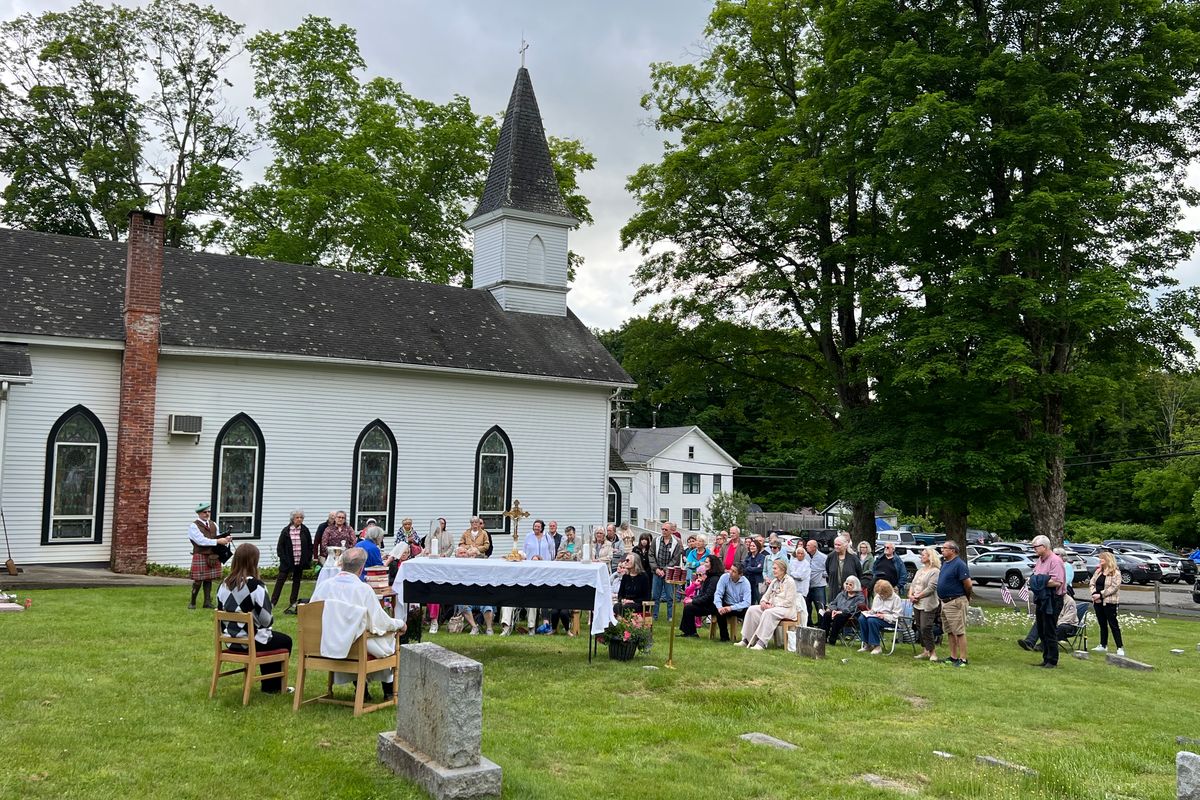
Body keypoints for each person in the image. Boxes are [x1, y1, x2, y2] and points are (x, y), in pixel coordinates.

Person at [310, 547, 407, 700]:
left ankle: (362, 690)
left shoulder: (324, 586)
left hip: (325, 644)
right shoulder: (363, 590)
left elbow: (311, 615)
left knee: (357, 632)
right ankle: (388, 691)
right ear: (361, 568)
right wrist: (400, 624)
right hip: (354, 647)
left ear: (341, 564)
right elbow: (380, 622)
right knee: (386, 639)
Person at [216, 543, 292, 694]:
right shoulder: (256, 586)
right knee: (284, 640)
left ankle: (270, 685)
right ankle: (272, 686)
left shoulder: (223, 585)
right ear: (254, 562)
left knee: (270, 639)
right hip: (251, 641)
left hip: (230, 641)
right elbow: (266, 620)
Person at [737, 558, 798, 650]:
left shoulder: (790, 581)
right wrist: (763, 602)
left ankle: (761, 642)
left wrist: (773, 605)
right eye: (773, 568)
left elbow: (789, 601)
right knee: (752, 609)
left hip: (786, 609)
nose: (773, 570)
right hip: (773, 608)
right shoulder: (774, 581)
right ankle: (746, 639)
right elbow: (766, 595)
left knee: (768, 613)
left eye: (775, 568)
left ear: (782, 570)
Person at [1029, 534, 1066, 669]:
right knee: (1041, 629)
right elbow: (1036, 576)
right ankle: (1046, 658)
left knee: (1050, 629)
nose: (1034, 549)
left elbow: (1057, 582)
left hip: (1053, 599)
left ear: (1044, 547)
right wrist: (1037, 580)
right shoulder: (1040, 560)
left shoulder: (1055, 561)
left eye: (1036, 547)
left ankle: (1052, 660)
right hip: (1042, 598)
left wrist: (1039, 582)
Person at [188, 502, 233, 610]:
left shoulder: (213, 524)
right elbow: (200, 541)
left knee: (209, 579)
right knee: (198, 580)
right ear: (199, 513)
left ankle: (207, 602)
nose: (207, 514)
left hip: (212, 554)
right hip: (200, 554)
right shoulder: (194, 526)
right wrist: (218, 541)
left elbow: (217, 536)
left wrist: (226, 538)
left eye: (208, 511)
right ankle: (192, 602)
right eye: (204, 512)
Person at [936, 541, 972, 668]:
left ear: (953, 550)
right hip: (945, 602)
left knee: (959, 631)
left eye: (944, 548)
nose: (942, 550)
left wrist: (966, 597)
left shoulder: (959, 564)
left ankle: (963, 659)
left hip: (956, 601)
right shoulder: (945, 563)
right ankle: (953, 656)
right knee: (950, 631)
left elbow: (968, 584)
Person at [272, 509, 312, 612]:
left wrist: (307, 558)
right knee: (280, 581)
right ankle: (273, 602)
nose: (299, 519)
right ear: (292, 519)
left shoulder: (305, 530)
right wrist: (283, 559)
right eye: (297, 517)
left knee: (297, 581)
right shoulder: (286, 530)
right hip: (287, 561)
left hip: (299, 561)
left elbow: (309, 545)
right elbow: (280, 547)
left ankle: (293, 601)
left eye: (301, 517)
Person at [908, 547, 942, 661]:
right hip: (916, 603)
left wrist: (918, 596)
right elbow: (913, 584)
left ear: (930, 557)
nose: (921, 557)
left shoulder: (935, 571)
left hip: (928, 603)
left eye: (923, 555)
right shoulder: (919, 570)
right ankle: (925, 650)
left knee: (926, 627)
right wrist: (910, 595)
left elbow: (931, 588)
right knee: (919, 627)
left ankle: (933, 652)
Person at [1089, 550, 1125, 656]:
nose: (1100, 560)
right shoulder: (1098, 571)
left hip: (1110, 602)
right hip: (1097, 602)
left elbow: (1114, 587)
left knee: (1113, 624)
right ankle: (1103, 644)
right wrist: (1094, 594)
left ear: (1108, 560)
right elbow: (1092, 583)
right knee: (1102, 624)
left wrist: (1101, 595)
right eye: (1100, 558)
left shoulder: (1115, 573)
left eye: (1102, 558)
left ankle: (1119, 647)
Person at [679, 554, 724, 638]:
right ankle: (689, 632)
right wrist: (693, 598)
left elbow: (709, 597)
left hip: (712, 606)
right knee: (688, 606)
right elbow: (703, 594)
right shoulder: (710, 577)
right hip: (707, 603)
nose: (704, 564)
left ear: (712, 564)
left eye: (706, 562)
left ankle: (691, 633)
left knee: (689, 608)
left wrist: (693, 601)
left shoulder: (714, 579)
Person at [857, 579, 902, 655]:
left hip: (890, 621)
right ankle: (867, 644)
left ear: (887, 592)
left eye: (882, 594)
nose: (880, 595)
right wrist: (867, 612)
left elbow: (896, 616)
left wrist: (883, 616)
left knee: (872, 620)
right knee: (862, 618)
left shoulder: (896, 599)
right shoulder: (877, 597)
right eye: (879, 593)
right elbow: (873, 611)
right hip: (876, 617)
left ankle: (876, 646)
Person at [816, 576, 865, 644]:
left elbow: (855, 608)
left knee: (839, 617)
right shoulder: (841, 594)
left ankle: (832, 639)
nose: (847, 586)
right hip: (836, 612)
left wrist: (841, 611)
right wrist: (833, 610)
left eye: (850, 585)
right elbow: (833, 603)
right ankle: (823, 638)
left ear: (856, 586)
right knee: (827, 614)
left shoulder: (860, 597)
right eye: (846, 584)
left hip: (850, 616)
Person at [712, 563, 752, 641]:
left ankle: (747, 638)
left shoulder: (746, 583)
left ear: (740, 574)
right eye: (730, 569)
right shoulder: (724, 577)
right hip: (727, 604)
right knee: (717, 609)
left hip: (740, 607)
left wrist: (731, 608)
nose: (730, 572)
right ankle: (724, 637)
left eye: (734, 571)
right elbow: (718, 594)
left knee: (749, 611)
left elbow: (747, 602)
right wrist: (719, 607)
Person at [650, 526, 682, 621]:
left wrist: (664, 570)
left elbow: (676, 559)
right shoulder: (656, 540)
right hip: (656, 572)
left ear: (671, 531)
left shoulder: (676, 543)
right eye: (662, 529)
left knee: (670, 596)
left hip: (669, 572)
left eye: (666, 529)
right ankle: (654, 616)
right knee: (655, 595)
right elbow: (651, 555)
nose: (663, 531)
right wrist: (656, 569)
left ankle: (670, 616)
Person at [786, 544, 811, 627]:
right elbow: (788, 573)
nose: (800, 555)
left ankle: (802, 624)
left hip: (802, 590)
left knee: (801, 608)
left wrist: (793, 574)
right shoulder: (792, 562)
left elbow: (801, 576)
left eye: (802, 553)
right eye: (798, 553)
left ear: (804, 554)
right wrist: (794, 574)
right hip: (793, 589)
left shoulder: (806, 564)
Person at [805, 539, 828, 622]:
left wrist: (823, 574)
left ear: (814, 547)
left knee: (820, 606)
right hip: (807, 586)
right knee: (807, 606)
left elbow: (829, 569)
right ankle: (808, 624)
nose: (806, 547)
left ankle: (821, 625)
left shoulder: (823, 557)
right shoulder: (805, 556)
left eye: (808, 545)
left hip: (819, 586)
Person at [742, 538, 766, 605]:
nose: (751, 547)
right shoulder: (748, 557)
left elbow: (760, 569)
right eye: (751, 546)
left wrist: (749, 568)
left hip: (757, 582)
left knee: (758, 598)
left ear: (757, 547)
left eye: (753, 546)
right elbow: (744, 568)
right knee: (750, 599)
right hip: (748, 580)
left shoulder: (762, 557)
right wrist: (753, 568)